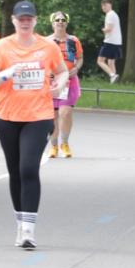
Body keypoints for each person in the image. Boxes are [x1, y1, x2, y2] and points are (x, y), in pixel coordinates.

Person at [0, 0, 68, 250]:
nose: (25, 22)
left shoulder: (48, 47)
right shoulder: (2, 47)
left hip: (39, 116)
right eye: (21, 19)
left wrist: (60, 84)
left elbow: (62, 71)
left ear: (35, 21)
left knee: (29, 169)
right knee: (15, 172)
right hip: (7, 118)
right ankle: (20, 223)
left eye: (29, 18)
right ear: (14, 21)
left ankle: (29, 231)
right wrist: (7, 74)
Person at [47, 11, 83, 158]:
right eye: (57, 20)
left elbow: (80, 58)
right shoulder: (46, 41)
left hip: (69, 81)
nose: (60, 22)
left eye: (63, 20)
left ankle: (65, 143)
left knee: (65, 112)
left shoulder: (73, 40)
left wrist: (77, 68)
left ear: (66, 23)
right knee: (53, 115)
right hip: (51, 82)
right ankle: (54, 146)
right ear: (53, 23)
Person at [97, 0, 122, 83]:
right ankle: (113, 82)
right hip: (117, 42)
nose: (103, 7)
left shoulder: (110, 14)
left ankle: (112, 75)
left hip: (110, 42)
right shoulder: (114, 14)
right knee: (111, 62)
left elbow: (109, 29)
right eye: (102, 6)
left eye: (105, 5)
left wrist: (103, 30)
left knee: (100, 61)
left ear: (110, 5)